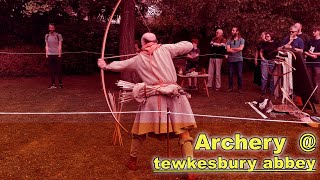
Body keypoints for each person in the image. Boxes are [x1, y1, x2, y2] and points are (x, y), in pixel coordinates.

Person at [97, 33, 197, 176]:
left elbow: (120, 65)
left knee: (139, 132)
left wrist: (105, 65)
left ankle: (132, 161)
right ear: (156, 41)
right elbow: (188, 45)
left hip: (155, 98)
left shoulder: (140, 58)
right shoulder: (166, 49)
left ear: (143, 42)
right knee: (184, 133)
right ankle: (190, 170)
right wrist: (165, 47)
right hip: (173, 97)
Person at [260, 31, 281, 95]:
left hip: (272, 61)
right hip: (265, 61)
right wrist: (262, 58)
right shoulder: (264, 43)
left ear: (271, 37)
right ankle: (263, 91)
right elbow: (261, 51)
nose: (266, 37)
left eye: (268, 36)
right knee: (264, 77)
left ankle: (272, 92)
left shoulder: (276, 43)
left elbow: (279, 50)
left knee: (272, 78)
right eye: (266, 36)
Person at [226, 27, 245, 93]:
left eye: (233, 30)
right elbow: (228, 50)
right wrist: (236, 49)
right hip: (230, 60)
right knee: (230, 74)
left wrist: (232, 49)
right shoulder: (229, 40)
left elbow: (241, 48)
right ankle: (230, 87)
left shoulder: (241, 40)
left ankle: (239, 88)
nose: (232, 31)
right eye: (232, 30)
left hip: (239, 60)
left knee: (239, 74)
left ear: (237, 32)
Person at [45, 23, 63, 89]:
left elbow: (60, 45)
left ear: (54, 28)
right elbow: (46, 45)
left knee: (58, 70)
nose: (51, 29)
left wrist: (59, 54)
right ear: (48, 28)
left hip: (57, 55)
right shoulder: (46, 36)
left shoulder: (58, 35)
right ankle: (53, 84)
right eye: (50, 28)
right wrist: (46, 54)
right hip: (50, 55)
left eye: (52, 28)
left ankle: (60, 84)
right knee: (51, 70)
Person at [305, 26, 320, 99]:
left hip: (317, 64)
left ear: (318, 31)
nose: (313, 32)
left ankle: (317, 97)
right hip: (309, 63)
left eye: (315, 31)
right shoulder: (310, 41)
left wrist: (314, 54)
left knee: (316, 80)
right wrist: (311, 54)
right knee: (309, 79)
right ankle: (310, 97)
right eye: (313, 31)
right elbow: (305, 50)